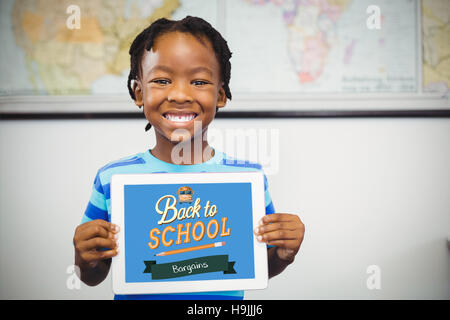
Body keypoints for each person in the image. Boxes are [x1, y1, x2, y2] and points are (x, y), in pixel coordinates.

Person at [73, 16, 305, 300]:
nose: (180, 95)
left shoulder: (248, 180)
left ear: (220, 95)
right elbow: (93, 275)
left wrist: (283, 253)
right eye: (161, 80)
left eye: (198, 81)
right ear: (138, 93)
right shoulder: (112, 178)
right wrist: (85, 257)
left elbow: (255, 265)